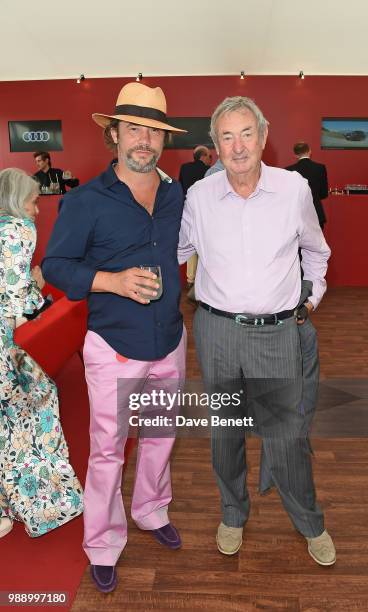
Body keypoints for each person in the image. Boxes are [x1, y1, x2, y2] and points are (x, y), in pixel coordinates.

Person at [42, 82, 187, 593]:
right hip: (114, 345)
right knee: (108, 450)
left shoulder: (176, 196)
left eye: (152, 130)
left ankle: (151, 509)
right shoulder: (85, 201)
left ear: (162, 139)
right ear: (115, 135)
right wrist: (111, 280)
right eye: (134, 129)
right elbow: (54, 266)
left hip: (170, 338)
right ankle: (102, 542)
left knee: (161, 435)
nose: (144, 139)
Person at [178, 96, 336, 566]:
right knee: (225, 433)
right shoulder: (200, 197)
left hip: (276, 334)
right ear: (216, 145)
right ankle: (232, 512)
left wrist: (310, 298)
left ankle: (309, 520)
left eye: (247, 133)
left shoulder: (293, 189)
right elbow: (179, 248)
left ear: (264, 139)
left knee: (287, 436)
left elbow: (317, 250)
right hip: (217, 332)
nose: (238, 146)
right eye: (227, 136)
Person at [0, 168, 83, 539]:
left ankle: (6, 507)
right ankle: (45, 505)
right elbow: (20, 304)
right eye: (34, 202)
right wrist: (38, 287)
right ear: (20, 201)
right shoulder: (18, 230)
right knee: (34, 418)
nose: (37, 210)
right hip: (13, 347)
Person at [179, 146, 212, 296]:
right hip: (205, 212)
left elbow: (180, 187)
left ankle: (190, 279)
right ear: (203, 156)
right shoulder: (208, 172)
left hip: (187, 209)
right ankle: (201, 281)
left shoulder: (185, 168)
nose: (211, 160)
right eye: (210, 157)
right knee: (204, 245)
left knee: (189, 244)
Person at [286, 142, 328, 230]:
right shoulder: (320, 168)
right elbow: (324, 194)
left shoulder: (288, 170)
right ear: (309, 151)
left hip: (296, 214)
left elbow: (288, 194)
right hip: (315, 212)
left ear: (295, 155)